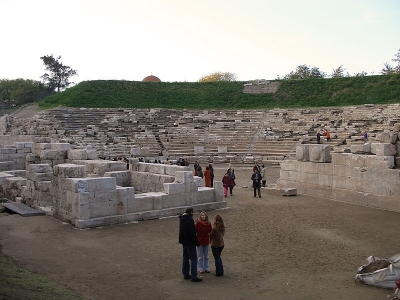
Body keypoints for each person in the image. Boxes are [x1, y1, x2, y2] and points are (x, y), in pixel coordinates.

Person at [178, 207, 202, 282]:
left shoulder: (182, 219)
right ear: (191, 212)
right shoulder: (189, 220)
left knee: (185, 258)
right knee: (193, 259)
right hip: (190, 242)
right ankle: (194, 276)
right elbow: (192, 233)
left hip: (184, 241)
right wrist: (196, 242)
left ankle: (186, 274)